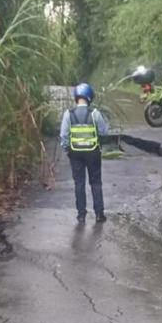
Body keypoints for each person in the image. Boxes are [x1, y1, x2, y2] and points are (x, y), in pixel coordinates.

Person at [59, 82, 111, 223]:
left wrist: (66, 149)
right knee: (95, 182)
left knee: (79, 183)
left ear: (76, 97)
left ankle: (81, 215)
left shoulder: (68, 114)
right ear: (89, 97)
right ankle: (99, 214)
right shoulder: (95, 114)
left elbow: (64, 135)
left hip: (75, 153)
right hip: (93, 152)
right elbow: (104, 132)